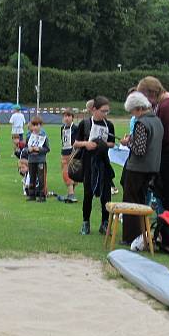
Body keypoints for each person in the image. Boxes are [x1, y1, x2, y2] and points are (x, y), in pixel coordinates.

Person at [137, 76, 169, 212]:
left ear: (152, 93)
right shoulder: (163, 103)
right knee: (166, 192)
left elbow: (165, 136)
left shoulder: (167, 105)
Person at [121, 92, 164, 245]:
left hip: (137, 169)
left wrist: (127, 143)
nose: (133, 115)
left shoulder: (141, 123)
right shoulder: (157, 121)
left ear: (139, 108)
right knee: (142, 203)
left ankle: (130, 236)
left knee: (131, 203)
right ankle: (141, 236)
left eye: (132, 111)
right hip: (152, 168)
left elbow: (139, 150)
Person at [74, 96, 115, 235]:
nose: (105, 114)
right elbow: (75, 143)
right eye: (103, 111)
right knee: (88, 193)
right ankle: (85, 222)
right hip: (88, 163)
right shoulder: (85, 124)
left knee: (106, 194)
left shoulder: (109, 125)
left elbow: (112, 143)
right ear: (94, 109)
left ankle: (105, 223)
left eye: (107, 111)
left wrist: (101, 144)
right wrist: (87, 144)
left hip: (103, 162)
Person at [25, 117, 50, 201]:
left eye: (37, 125)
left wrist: (39, 149)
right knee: (32, 177)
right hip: (31, 160)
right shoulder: (29, 136)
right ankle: (32, 195)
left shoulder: (44, 136)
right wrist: (29, 150)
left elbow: (47, 149)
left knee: (41, 178)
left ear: (41, 125)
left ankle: (42, 196)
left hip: (40, 161)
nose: (35, 127)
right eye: (34, 125)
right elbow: (25, 148)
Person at [59, 109, 78, 202]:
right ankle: (71, 193)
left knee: (68, 173)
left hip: (72, 152)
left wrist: (74, 153)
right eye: (65, 116)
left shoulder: (75, 128)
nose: (66, 118)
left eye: (68, 116)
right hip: (64, 152)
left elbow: (77, 141)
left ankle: (71, 194)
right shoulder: (62, 128)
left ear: (72, 117)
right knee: (66, 172)